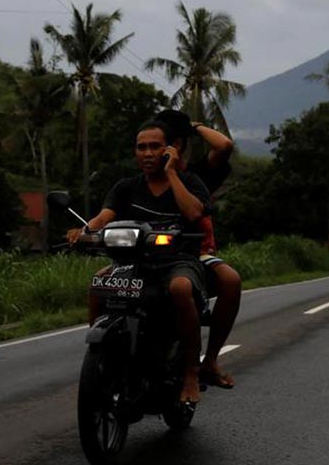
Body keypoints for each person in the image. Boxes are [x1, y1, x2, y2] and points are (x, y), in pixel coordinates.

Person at [68, 121, 210, 405]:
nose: (147, 153)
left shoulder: (190, 182)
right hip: (134, 263)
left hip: (178, 261)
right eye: (141, 147)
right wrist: (84, 232)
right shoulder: (126, 187)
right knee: (99, 284)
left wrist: (171, 173)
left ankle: (191, 371)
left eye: (155, 147)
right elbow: (103, 217)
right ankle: (102, 356)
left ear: (170, 150)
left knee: (181, 288)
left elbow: (194, 213)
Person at [153, 109, 241, 391]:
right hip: (148, 253)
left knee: (230, 280)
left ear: (176, 145)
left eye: (161, 143)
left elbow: (224, 145)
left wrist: (193, 126)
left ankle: (209, 361)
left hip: (194, 253)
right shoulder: (142, 179)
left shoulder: (198, 177)